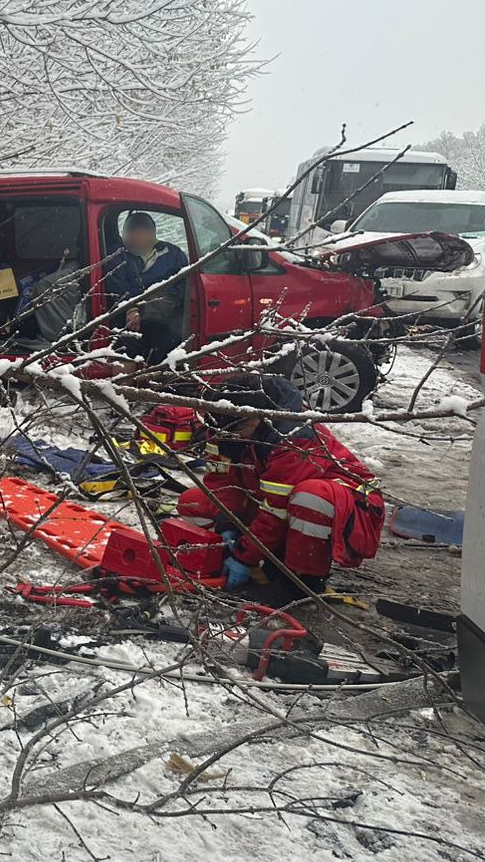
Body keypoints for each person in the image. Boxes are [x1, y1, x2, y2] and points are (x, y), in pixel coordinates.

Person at [177, 375, 384, 597]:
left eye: (238, 429)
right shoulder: (222, 427)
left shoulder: (293, 438)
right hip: (276, 506)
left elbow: (276, 510)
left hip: (349, 508)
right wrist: (227, 525)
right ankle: (229, 562)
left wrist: (243, 556)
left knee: (312, 497)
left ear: (257, 418)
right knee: (194, 501)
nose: (232, 437)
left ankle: (302, 582)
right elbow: (221, 484)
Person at [103, 212, 188, 364]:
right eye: (130, 233)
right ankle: (123, 385)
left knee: (167, 346)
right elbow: (116, 286)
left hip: (163, 319)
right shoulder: (117, 255)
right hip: (125, 318)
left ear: (151, 234)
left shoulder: (174, 255)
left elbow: (181, 288)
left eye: (139, 234)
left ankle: (161, 382)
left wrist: (147, 310)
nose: (134, 238)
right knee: (125, 346)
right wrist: (130, 308)